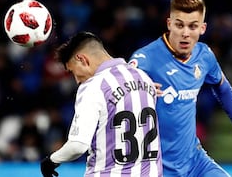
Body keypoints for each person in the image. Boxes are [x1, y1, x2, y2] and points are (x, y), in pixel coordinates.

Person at [129, 0, 232, 177]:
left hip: (195, 161)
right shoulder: (146, 58)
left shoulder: (205, 55)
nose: (185, 33)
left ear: (202, 28)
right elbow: (119, 86)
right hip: (157, 168)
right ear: (169, 24)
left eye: (192, 26)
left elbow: (223, 88)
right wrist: (138, 89)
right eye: (179, 25)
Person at [40, 31, 163, 177]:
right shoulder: (144, 78)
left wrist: (51, 161)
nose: (77, 80)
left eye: (73, 72)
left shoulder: (93, 86)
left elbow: (78, 146)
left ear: (82, 59)